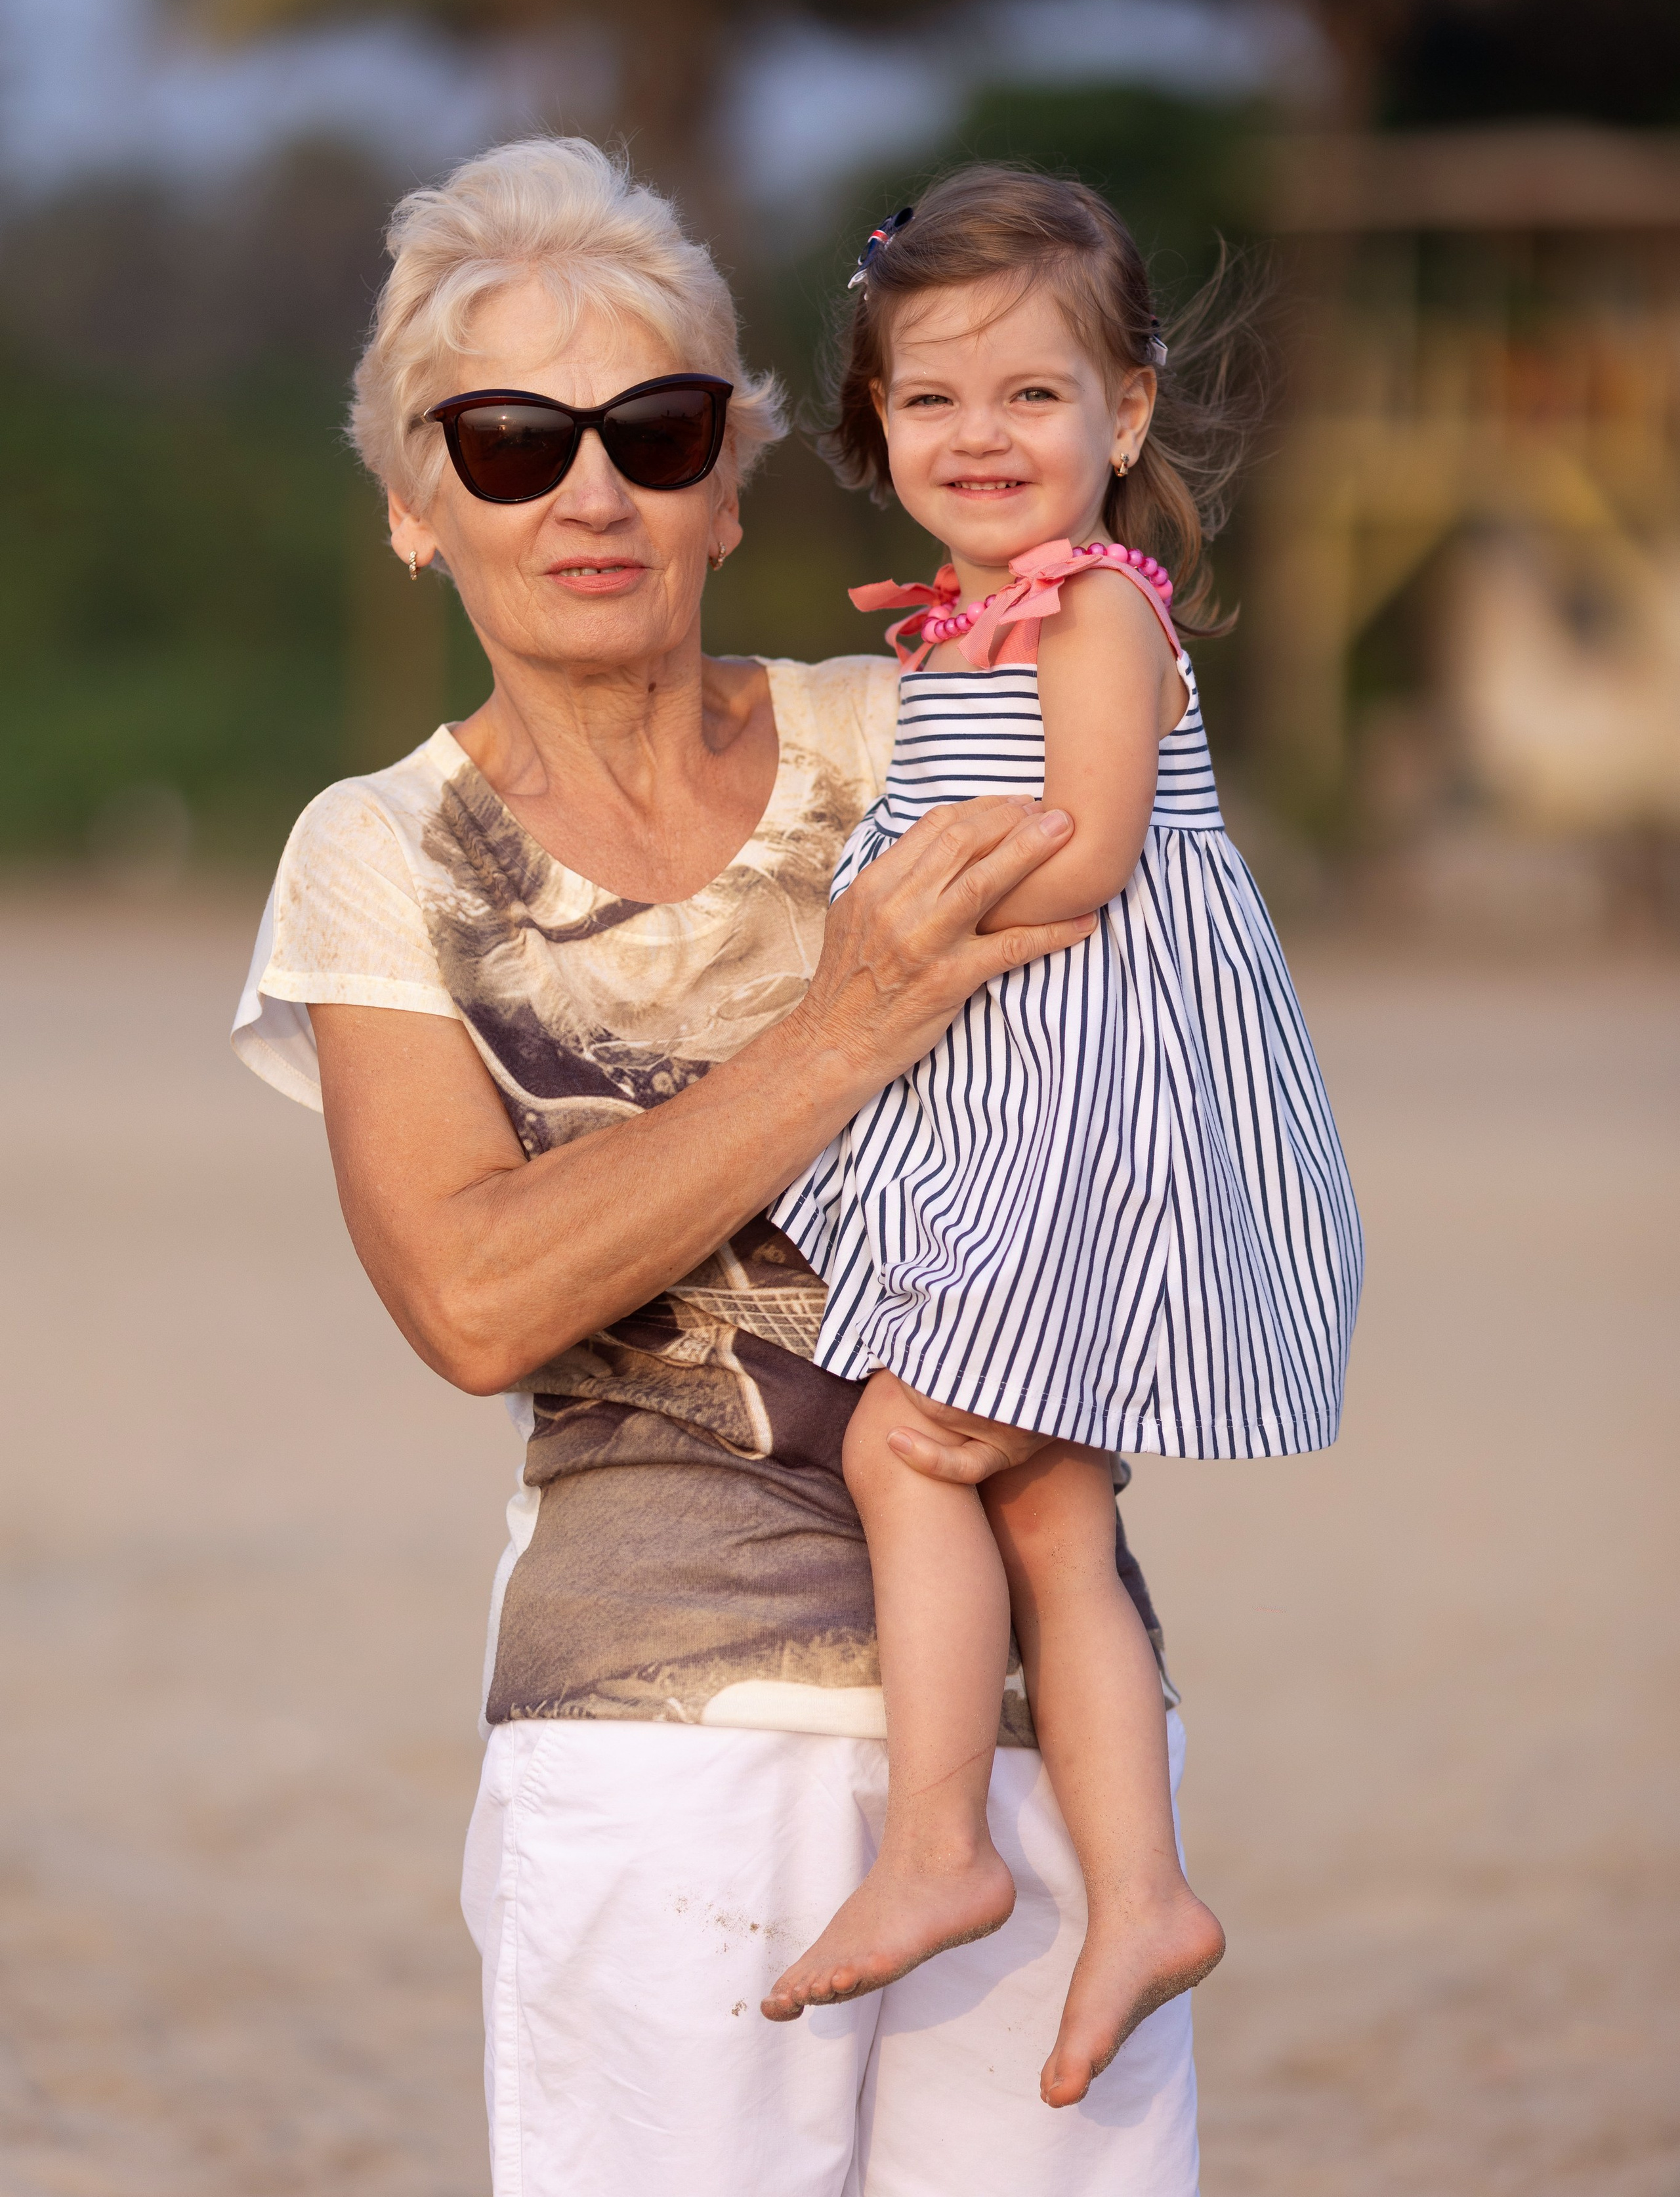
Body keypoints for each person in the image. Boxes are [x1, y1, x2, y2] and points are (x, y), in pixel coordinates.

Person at [230, 135, 1204, 2195]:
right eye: (506, 443)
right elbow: (478, 1303)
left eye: (655, 430)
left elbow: (1168, 1006)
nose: (591, 492)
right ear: (417, 510)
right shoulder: (380, 855)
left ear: (734, 480)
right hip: (658, 1723)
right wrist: (850, 1016)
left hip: (1055, 1714)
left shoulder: (921, 718)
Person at [764, 167, 1364, 2104]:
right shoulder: (964, 630)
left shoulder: (1097, 613)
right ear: (876, 435)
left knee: (908, 1439)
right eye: (932, 401)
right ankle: (1141, 1894)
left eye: (1035, 397)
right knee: (1048, 1506)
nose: (983, 437)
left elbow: (1095, 861)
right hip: (1021, 1097)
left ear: (1124, 417)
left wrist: (897, 963)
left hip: (1094, 1109)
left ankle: (942, 1846)